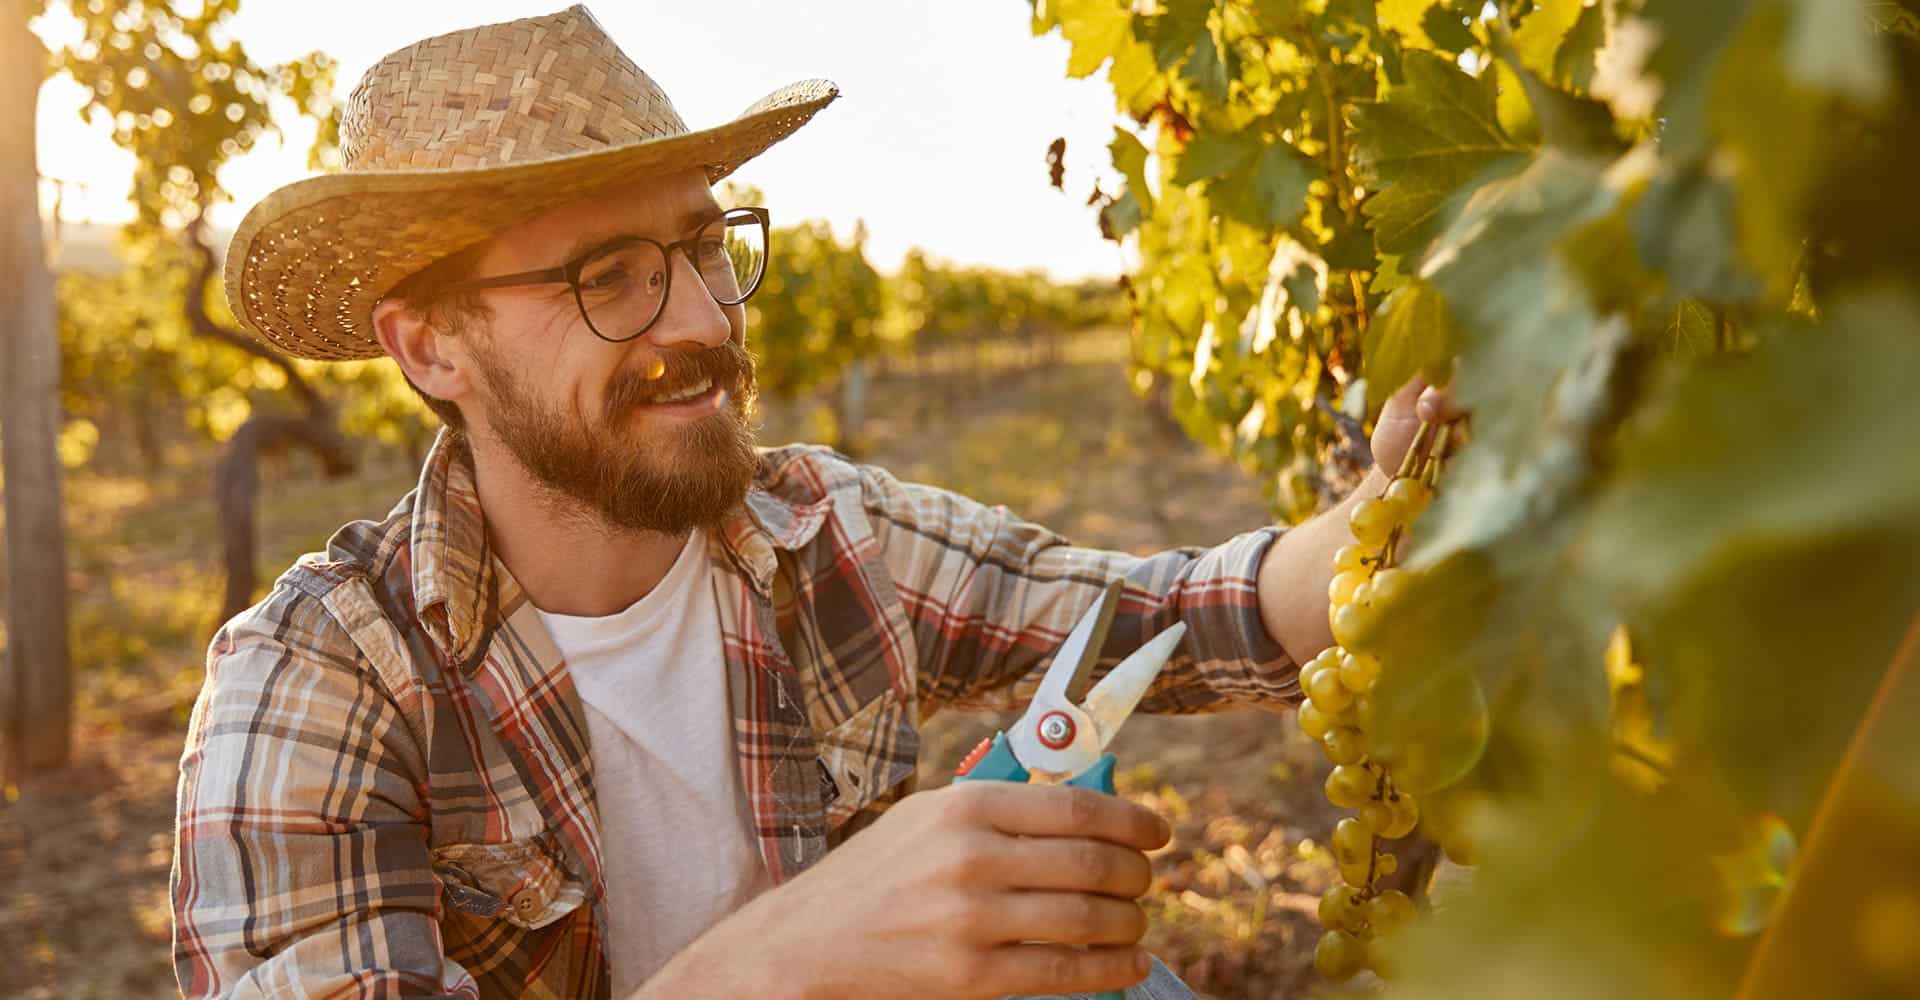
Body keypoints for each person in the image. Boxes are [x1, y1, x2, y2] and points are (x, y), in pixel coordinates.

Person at [170, 5, 1448, 999]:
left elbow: (1159, 616)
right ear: (431, 348)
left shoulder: (819, 532)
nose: (700, 318)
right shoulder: (314, 688)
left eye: (707, 245)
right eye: (610, 275)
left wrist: (1392, 507)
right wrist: (791, 955)